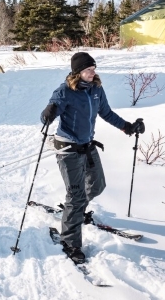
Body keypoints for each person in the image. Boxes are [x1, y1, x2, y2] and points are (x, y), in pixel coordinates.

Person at [40, 52, 145, 264]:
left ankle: (75, 212)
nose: (92, 73)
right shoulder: (65, 91)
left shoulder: (96, 89)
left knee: (97, 186)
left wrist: (127, 127)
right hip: (68, 149)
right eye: (88, 70)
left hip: (87, 146)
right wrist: (48, 113)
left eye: (93, 69)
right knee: (76, 195)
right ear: (78, 72)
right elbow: (47, 114)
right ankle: (70, 241)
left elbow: (106, 112)